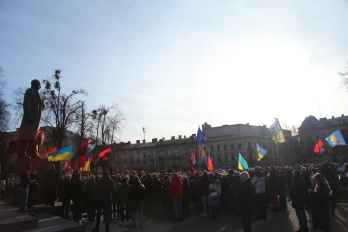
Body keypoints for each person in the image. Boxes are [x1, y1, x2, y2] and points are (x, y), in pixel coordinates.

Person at [17, 79, 44, 159]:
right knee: (25, 136)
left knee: (33, 137)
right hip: (30, 119)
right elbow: (27, 103)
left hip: (36, 120)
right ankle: (21, 153)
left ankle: (33, 153)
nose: (40, 86)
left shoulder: (38, 95)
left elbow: (40, 107)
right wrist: (28, 116)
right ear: (35, 84)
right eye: (39, 84)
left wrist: (43, 103)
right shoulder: (30, 91)